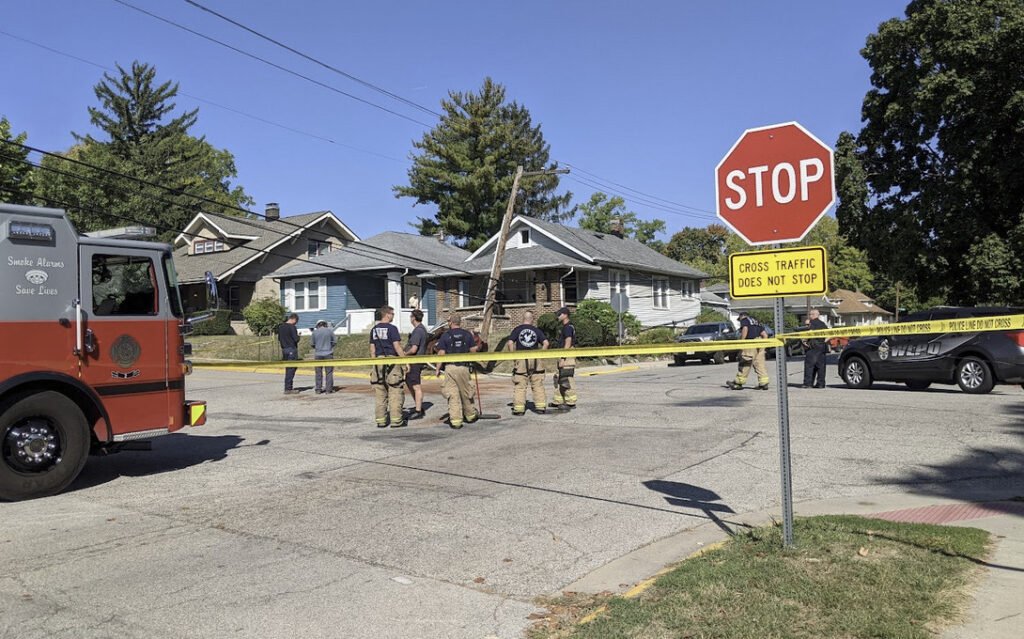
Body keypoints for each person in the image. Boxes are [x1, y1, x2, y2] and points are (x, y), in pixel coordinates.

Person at [435, 315, 479, 429]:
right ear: (460, 323)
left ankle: (456, 421)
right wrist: (473, 363)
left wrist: (438, 368)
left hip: (450, 368)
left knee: (452, 395)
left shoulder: (445, 335)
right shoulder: (467, 334)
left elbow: (441, 353)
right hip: (463, 368)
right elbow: (473, 351)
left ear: (451, 323)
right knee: (466, 393)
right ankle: (470, 416)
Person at [370, 305, 407, 428]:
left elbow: (372, 350)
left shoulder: (374, 330)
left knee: (380, 392)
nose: (393, 316)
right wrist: (404, 362)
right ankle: (396, 420)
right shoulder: (392, 329)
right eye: (393, 314)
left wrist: (374, 365)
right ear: (387, 314)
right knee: (395, 390)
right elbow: (397, 346)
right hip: (392, 360)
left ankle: (381, 420)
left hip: (378, 361)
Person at [507, 311, 548, 415]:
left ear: (523, 318)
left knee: (520, 384)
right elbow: (546, 343)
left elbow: (510, 342)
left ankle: (519, 409)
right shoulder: (536, 330)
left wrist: (514, 357)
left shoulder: (517, 329)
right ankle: (540, 407)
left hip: (521, 359)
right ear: (532, 319)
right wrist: (541, 356)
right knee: (537, 384)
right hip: (535, 359)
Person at [726, 311, 770, 391]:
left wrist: (742, 342)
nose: (740, 322)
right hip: (760, 343)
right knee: (759, 364)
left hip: (750, 343)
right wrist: (763, 346)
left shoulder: (745, 320)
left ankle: (738, 383)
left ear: (742, 316)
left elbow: (745, 329)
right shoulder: (756, 321)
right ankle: (764, 383)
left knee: (746, 362)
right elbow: (765, 335)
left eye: (740, 320)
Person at [550, 307, 577, 409]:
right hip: (564, 354)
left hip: (567, 355)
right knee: (559, 378)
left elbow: (568, 342)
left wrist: (563, 358)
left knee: (567, 378)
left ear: (565, 315)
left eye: (559, 314)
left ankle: (570, 402)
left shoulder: (568, 327)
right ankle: (558, 401)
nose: (558, 316)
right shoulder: (566, 327)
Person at [404, 309, 428, 419]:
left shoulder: (418, 331)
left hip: (415, 362)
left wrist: (404, 354)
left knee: (416, 386)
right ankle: (418, 406)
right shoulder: (420, 329)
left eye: (410, 316)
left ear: (414, 318)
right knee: (410, 383)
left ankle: (418, 411)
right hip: (414, 362)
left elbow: (413, 349)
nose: (410, 318)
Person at [802, 309, 829, 389]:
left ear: (813, 315)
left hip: (812, 346)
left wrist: (804, 341)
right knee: (821, 366)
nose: (809, 316)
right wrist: (824, 341)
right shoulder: (823, 324)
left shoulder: (811, 323)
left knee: (809, 366)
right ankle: (821, 384)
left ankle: (808, 383)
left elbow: (807, 334)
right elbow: (830, 334)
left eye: (810, 314)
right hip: (822, 346)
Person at [312, 320, 336, 394]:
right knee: (329, 372)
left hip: (318, 354)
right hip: (328, 353)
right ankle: (328, 389)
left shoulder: (314, 332)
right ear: (325, 325)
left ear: (318, 325)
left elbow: (312, 344)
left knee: (318, 372)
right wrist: (329, 346)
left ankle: (318, 389)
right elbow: (334, 342)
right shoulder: (330, 331)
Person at [278, 313, 300, 394]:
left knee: (288, 369)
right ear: (294, 319)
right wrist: (298, 336)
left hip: (284, 349)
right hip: (291, 349)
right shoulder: (292, 327)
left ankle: (287, 386)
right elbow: (296, 339)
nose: (295, 323)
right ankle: (288, 388)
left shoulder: (281, 327)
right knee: (291, 369)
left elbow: (279, 338)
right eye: (296, 322)